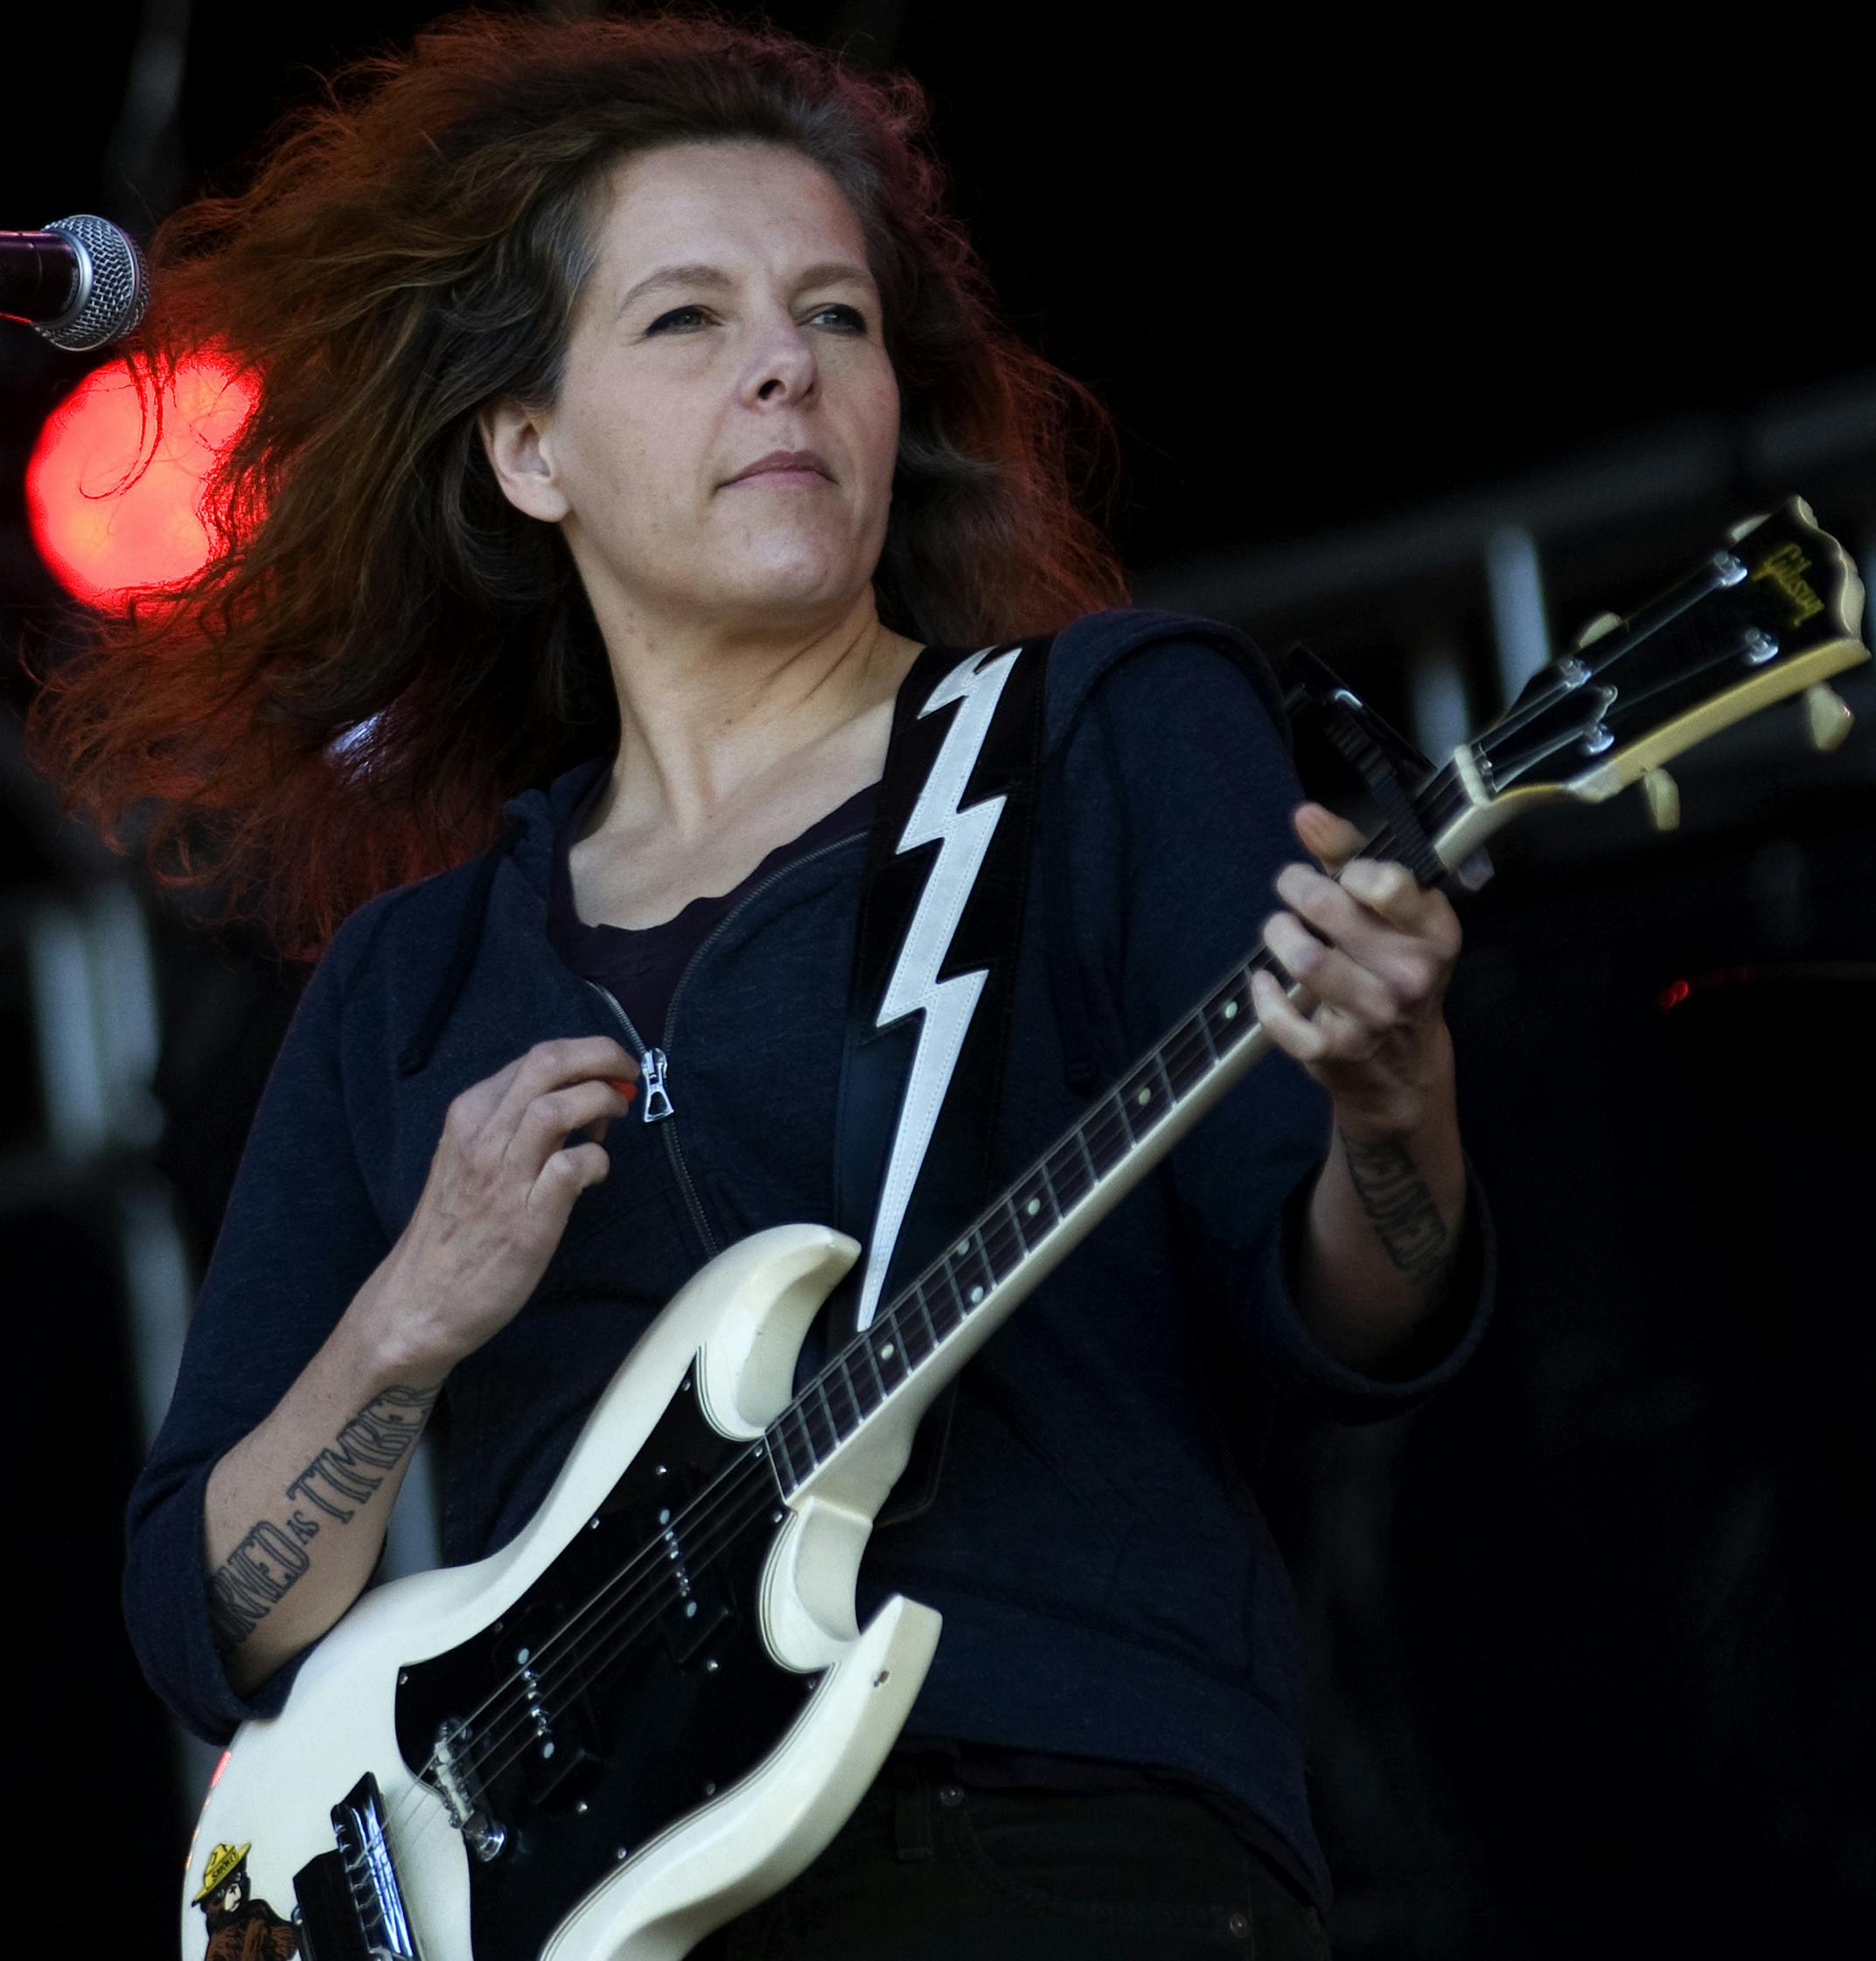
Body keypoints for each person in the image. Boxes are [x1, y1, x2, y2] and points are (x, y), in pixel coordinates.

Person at [34, 15, 1489, 1958]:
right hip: (589, 1900)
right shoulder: (416, 975)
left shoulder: (1104, 740)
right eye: (687, 321)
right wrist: (407, 1316)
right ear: (528, 449)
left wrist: (1396, 1105)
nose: (788, 361)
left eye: (839, 316)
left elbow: (1339, 1324)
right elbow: (212, 1616)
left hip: (1061, 1838)